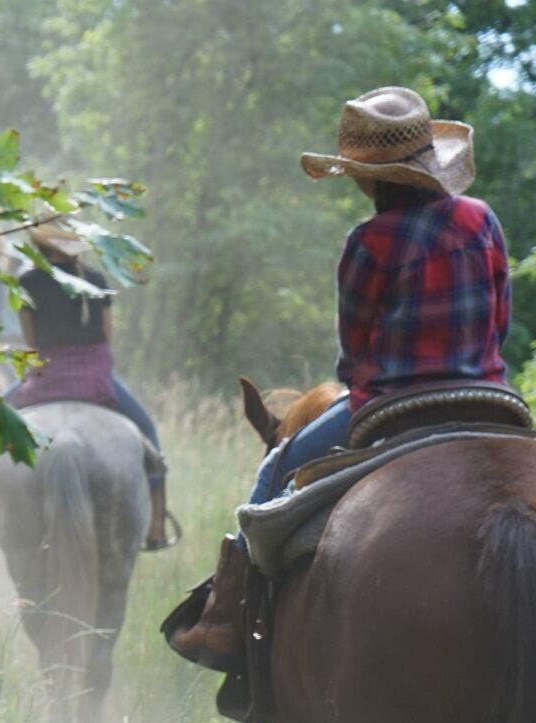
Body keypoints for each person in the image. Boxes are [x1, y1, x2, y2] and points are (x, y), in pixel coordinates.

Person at [166, 85, 511, 667]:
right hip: (490, 398)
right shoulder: (481, 219)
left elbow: (353, 358)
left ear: (363, 176)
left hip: (393, 405)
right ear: (429, 163)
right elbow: (500, 319)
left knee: (277, 467)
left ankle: (226, 613)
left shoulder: (368, 242)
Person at [0, 219, 169, 545]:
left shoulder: (28, 282)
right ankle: (157, 525)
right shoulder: (95, 280)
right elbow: (106, 339)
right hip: (95, 377)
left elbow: (33, 342)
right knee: (148, 430)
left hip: (47, 376)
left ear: (43, 246)